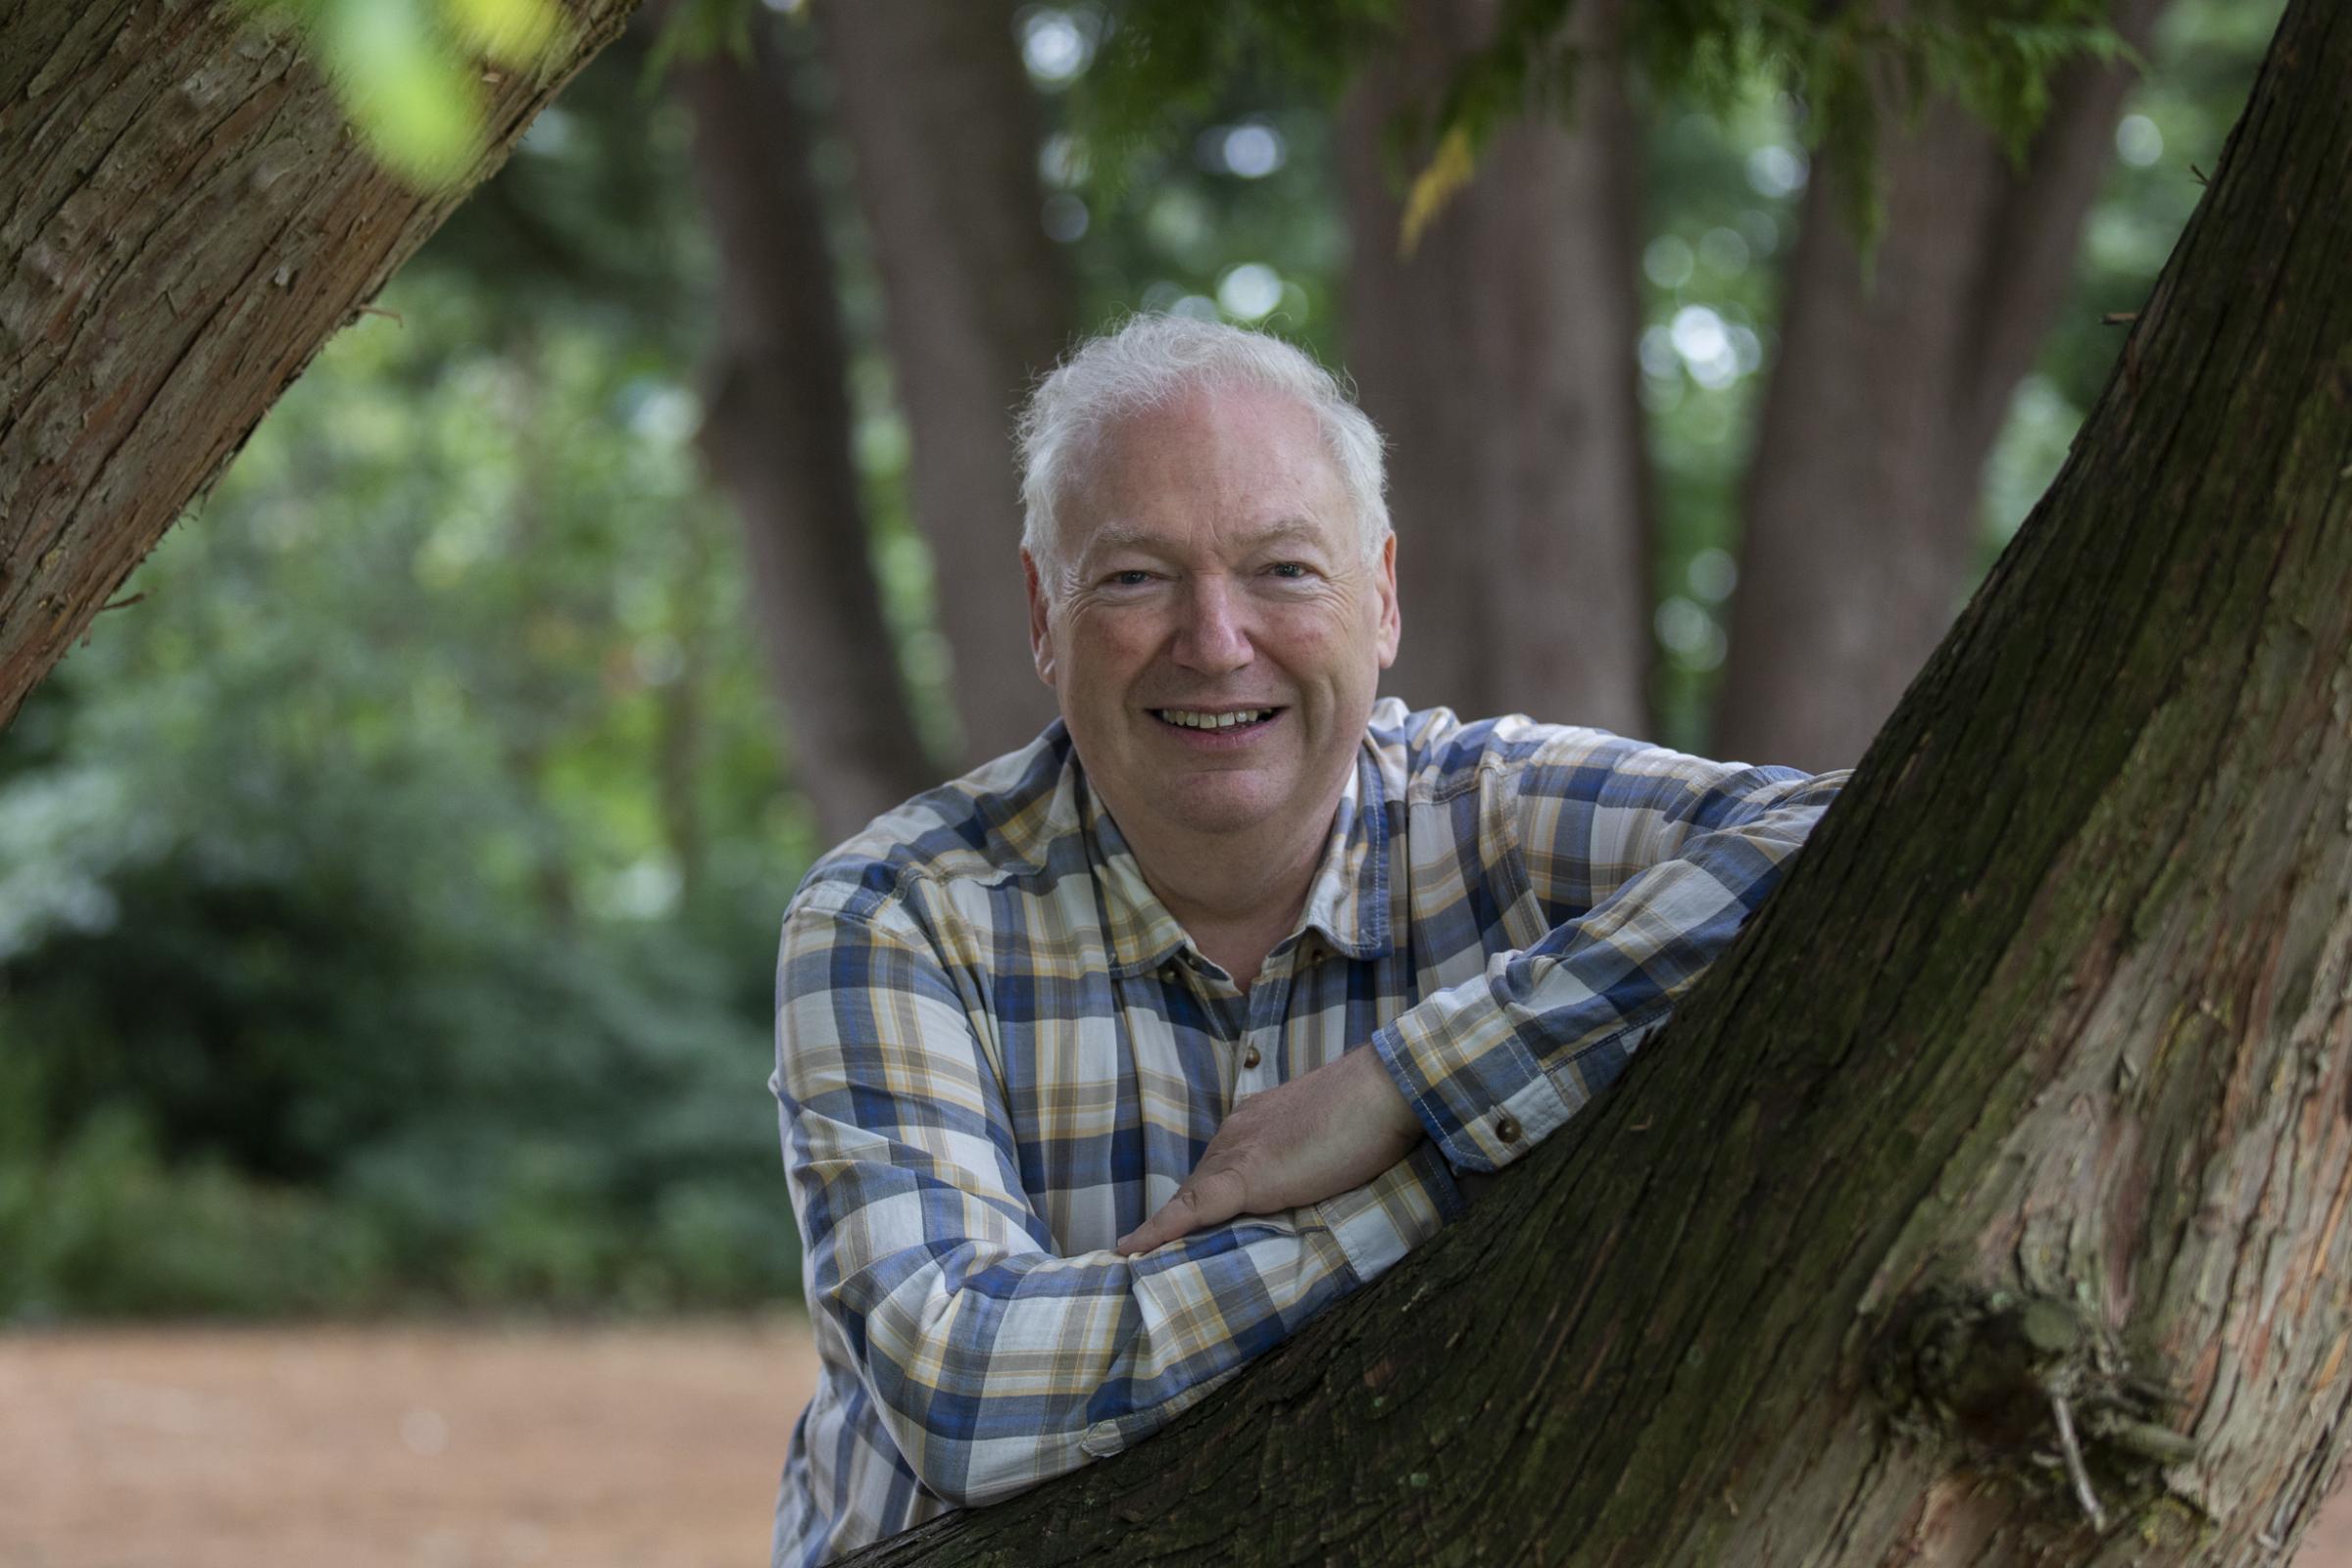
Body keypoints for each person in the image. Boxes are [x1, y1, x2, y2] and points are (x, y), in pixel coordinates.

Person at [768, 315, 1843, 1565]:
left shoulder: (1495, 814)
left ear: (1380, 596)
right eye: (1134, 576)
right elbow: (964, 1393)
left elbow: (1866, 824)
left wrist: (1407, 1081)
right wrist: (1454, 1175)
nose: (1216, 640)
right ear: (1041, 612)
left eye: (1283, 569)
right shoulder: (894, 915)